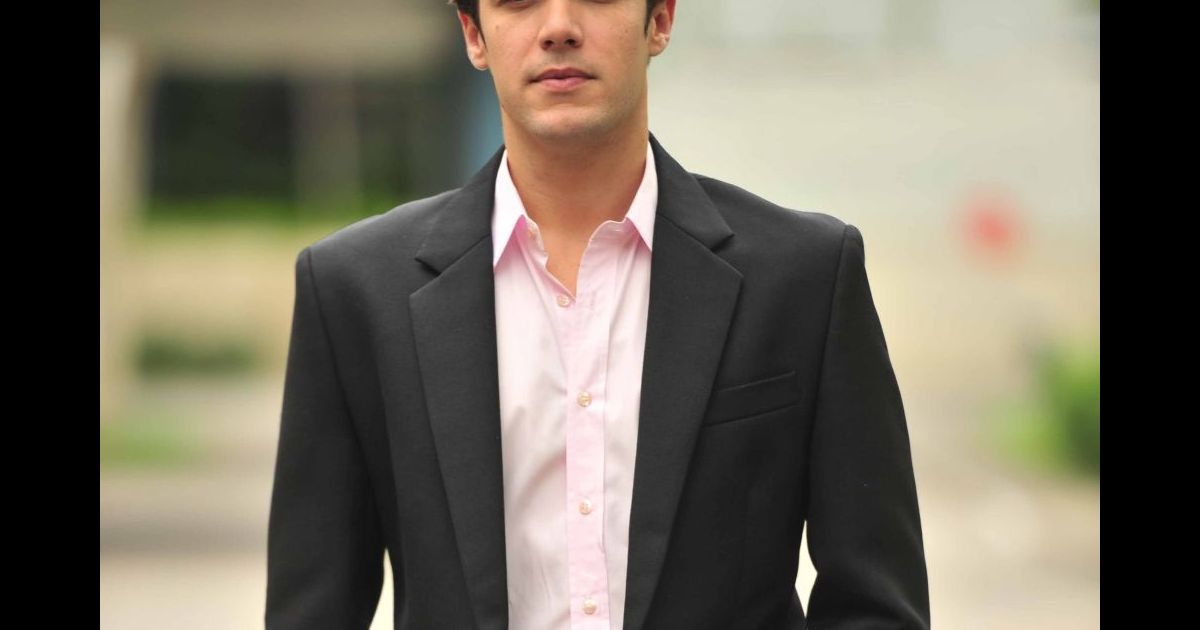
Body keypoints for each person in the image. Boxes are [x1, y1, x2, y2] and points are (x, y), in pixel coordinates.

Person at [264, 0, 931, 628]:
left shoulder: (803, 276)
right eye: (518, 1)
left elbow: (875, 604)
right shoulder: (356, 291)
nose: (559, 25)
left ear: (660, 19)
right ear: (473, 34)